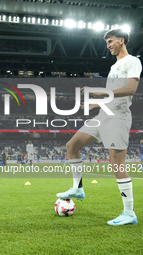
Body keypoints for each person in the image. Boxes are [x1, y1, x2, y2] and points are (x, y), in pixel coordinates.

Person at [57, 29, 142, 226]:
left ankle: (129, 213)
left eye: (110, 42)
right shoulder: (114, 67)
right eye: (107, 43)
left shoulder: (132, 62)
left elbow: (130, 89)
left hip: (118, 118)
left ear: (122, 40)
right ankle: (77, 188)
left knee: (116, 164)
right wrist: (96, 105)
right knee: (72, 146)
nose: (108, 46)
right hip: (103, 115)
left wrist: (99, 92)